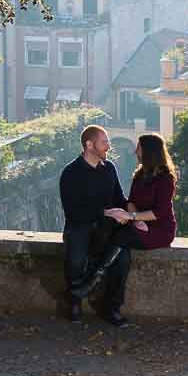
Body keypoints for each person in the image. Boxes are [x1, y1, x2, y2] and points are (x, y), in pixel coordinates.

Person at [70, 132, 177, 300]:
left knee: (120, 236)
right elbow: (130, 201)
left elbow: (160, 212)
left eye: (139, 148)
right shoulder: (140, 174)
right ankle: (98, 288)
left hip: (160, 230)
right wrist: (135, 219)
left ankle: (92, 279)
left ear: (149, 151)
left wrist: (134, 218)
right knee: (119, 245)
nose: (135, 152)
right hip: (139, 224)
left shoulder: (166, 178)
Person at [59, 124, 137, 327]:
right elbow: (73, 212)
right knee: (76, 253)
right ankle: (75, 300)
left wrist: (134, 215)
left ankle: (112, 307)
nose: (108, 147)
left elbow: (119, 198)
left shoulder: (109, 168)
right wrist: (105, 212)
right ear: (89, 144)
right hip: (81, 226)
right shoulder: (70, 172)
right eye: (104, 142)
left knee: (123, 259)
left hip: (106, 228)